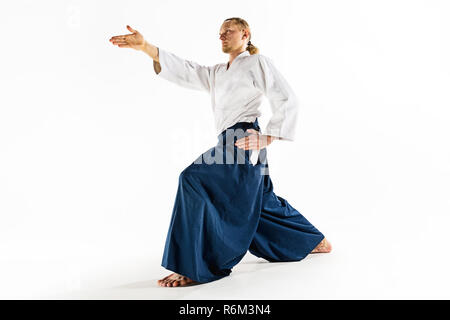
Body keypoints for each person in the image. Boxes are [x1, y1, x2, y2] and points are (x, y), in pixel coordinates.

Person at [109, 17, 332, 288]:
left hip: (242, 139)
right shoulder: (217, 72)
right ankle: (312, 239)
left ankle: (191, 265)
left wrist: (270, 136)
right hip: (233, 141)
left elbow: (287, 96)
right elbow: (187, 70)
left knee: (192, 179)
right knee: (257, 201)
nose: (222, 36)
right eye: (220, 33)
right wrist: (146, 47)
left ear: (245, 34)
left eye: (229, 31)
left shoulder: (257, 63)